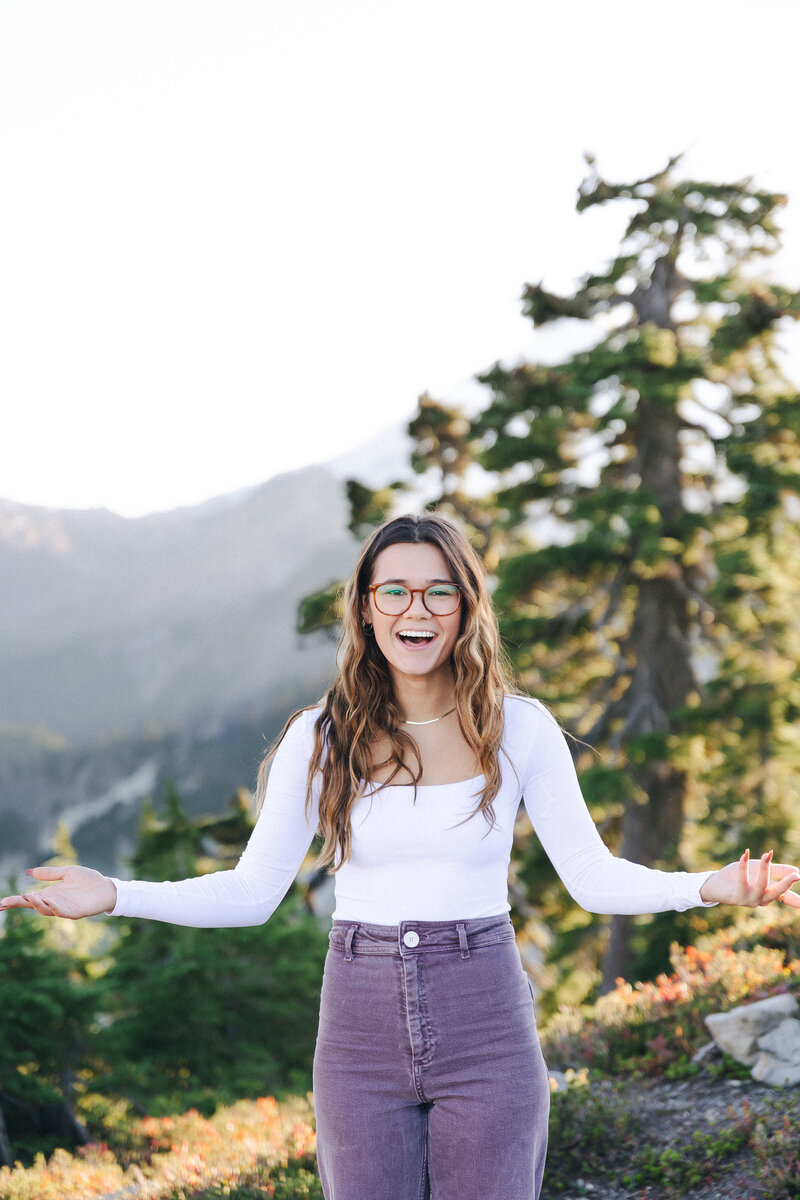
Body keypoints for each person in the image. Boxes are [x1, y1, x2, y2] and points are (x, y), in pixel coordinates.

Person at [2, 512, 798, 1200]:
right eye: (395, 591)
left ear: (464, 608)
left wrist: (710, 887)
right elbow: (251, 892)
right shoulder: (318, 739)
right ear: (366, 608)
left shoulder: (520, 730)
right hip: (358, 1026)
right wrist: (112, 892)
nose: (416, 610)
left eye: (437, 591)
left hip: (486, 1016)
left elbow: (591, 879)